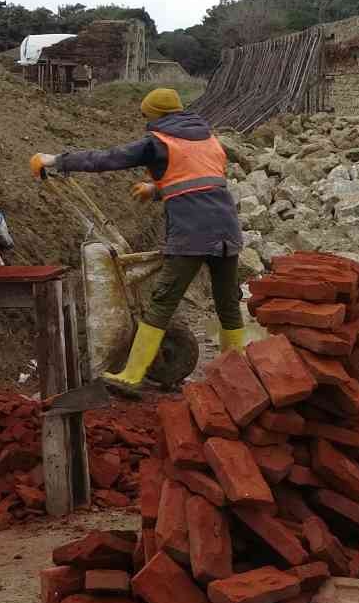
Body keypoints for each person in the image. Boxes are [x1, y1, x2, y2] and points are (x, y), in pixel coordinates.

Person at [29, 87, 244, 396]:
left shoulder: (158, 141)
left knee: (162, 303)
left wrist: (56, 160)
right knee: (228, 304)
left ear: (154, 116)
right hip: (226, 230)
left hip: (192, 233)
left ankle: (131, 374)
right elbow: (202, 180)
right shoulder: (208, 139)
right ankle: (234, 375)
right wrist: (156, 190)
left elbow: (109, 158)